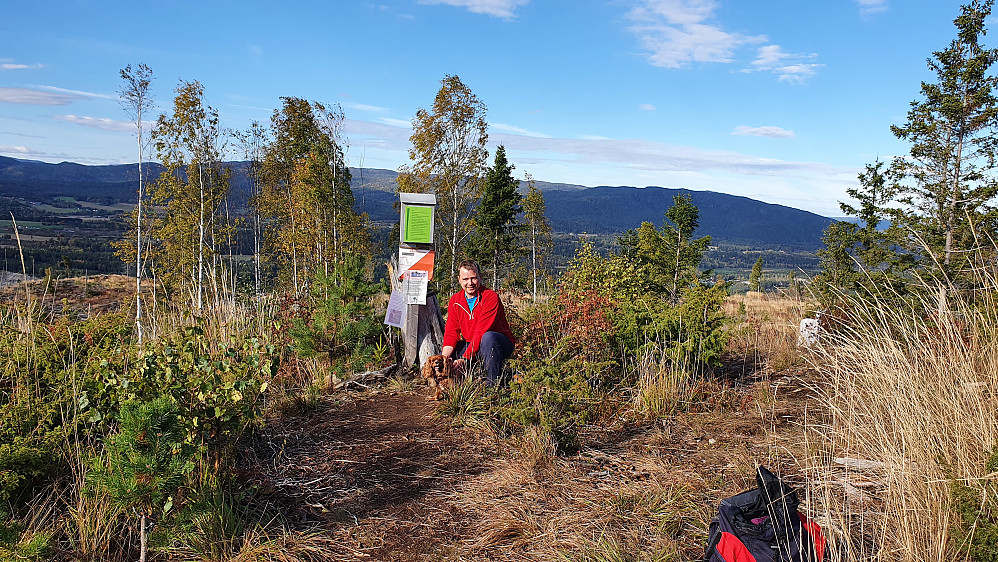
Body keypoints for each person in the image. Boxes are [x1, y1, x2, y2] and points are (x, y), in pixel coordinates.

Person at [441, 259, 516, 385]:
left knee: (488, 337)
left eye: (473, 278)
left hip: (498, 343)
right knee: (449, 354)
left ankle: (493, 386)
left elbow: (481, 332)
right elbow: (451, 332)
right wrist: (444, 358)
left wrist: (465, 359)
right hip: (473, 343)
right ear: (459, 279)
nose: (469, 283)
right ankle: (448, 385)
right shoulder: (455, 300)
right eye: (465, 279)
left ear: (480, 277)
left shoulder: (490, 297)